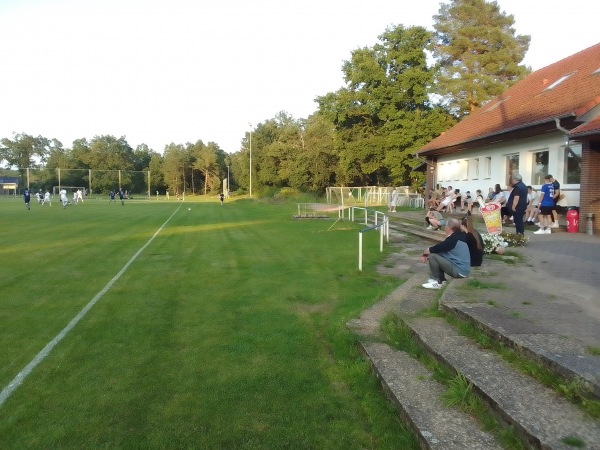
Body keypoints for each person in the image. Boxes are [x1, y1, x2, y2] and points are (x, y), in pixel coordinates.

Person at [419, 217, 471, 289]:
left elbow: (432, 249)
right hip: (463, 269)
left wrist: (424, 255)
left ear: (449, 228)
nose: (444, 227)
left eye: (445, 225)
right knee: (437, 254)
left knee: (433, 255)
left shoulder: (452, 240)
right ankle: (442, 280)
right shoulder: (459, 236)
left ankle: (436, 282)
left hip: (459, 271)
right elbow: (439, 250)